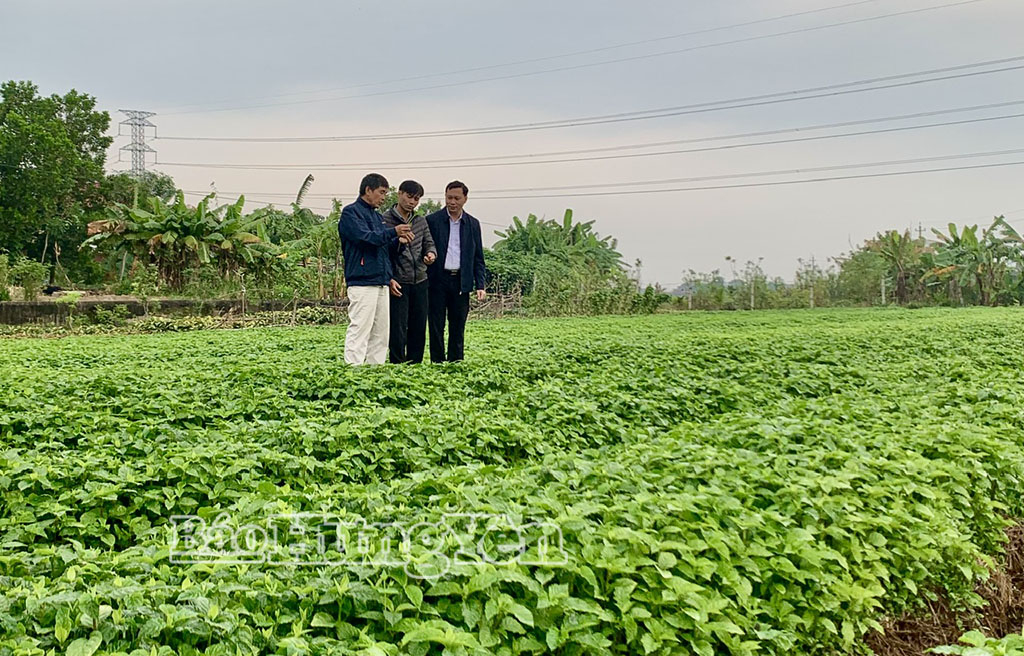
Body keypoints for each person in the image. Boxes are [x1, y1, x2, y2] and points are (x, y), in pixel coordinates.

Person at [338, 173, 413, 365]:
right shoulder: (350, 213)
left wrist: (399, 241)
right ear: (368, 190)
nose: (383, 197)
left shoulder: (377, 216)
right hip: (362, 281)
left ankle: (375, 370)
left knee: (381, 332)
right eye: (381, 192)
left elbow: (384, 249)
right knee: (360, 328)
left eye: (386, 193)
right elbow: (365, 238)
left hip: (381, 281)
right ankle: (353, 369)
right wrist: (393, 232)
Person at [425, 180, 487, 363]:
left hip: (461, 280)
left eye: (456, 198)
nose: (452, 202)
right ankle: (437, 362)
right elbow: (424, 247)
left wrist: (480, 284)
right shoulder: (433, 221)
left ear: (465, 199)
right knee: (436, 324)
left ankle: (456, 362)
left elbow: (478, 257)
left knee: (458, 324)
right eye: (449, 197)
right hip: (437, 279)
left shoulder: (473, 224)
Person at [382, 180, 437, 363]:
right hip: (398, 281)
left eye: (416, 199)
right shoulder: (385, 220)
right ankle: (397, 364)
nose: (412, 202)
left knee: (419, 325)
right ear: (399, 194)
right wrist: (389, 278)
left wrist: (431, 254)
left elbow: (429, 243)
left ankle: (415, 364)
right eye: (409, 196)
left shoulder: (420, 221)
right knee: (397, 327)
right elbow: (382, 252)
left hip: (420, 279)